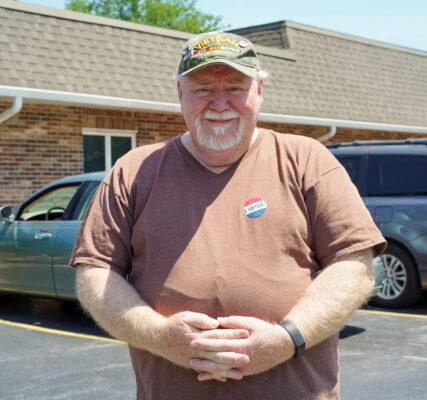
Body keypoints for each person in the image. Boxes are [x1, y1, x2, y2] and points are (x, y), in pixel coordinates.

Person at [70, 30, 386, 400]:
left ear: (259, 91)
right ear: (180, 94)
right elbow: (95, 274)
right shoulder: (133, 172)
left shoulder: (307, 160)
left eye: (235, 87)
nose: (219, 103)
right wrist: (158, 336)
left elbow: (355, 264)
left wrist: (287, 339)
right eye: (203, 88)